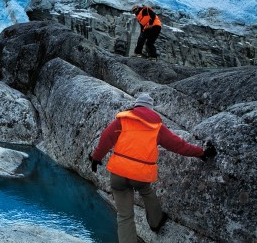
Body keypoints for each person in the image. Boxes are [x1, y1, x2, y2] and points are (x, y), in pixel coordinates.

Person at [90, 93, 217, 243]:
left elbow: (106, 138)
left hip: (118, 173)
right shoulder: (157, 128)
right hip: (140, 176)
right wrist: (201, 153)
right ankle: (156, 222)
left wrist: (96, 158)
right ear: (150, 109)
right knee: (146, 191)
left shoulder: (122, 121)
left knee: (124, 216)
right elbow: (179, 146)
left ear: (136, 106)